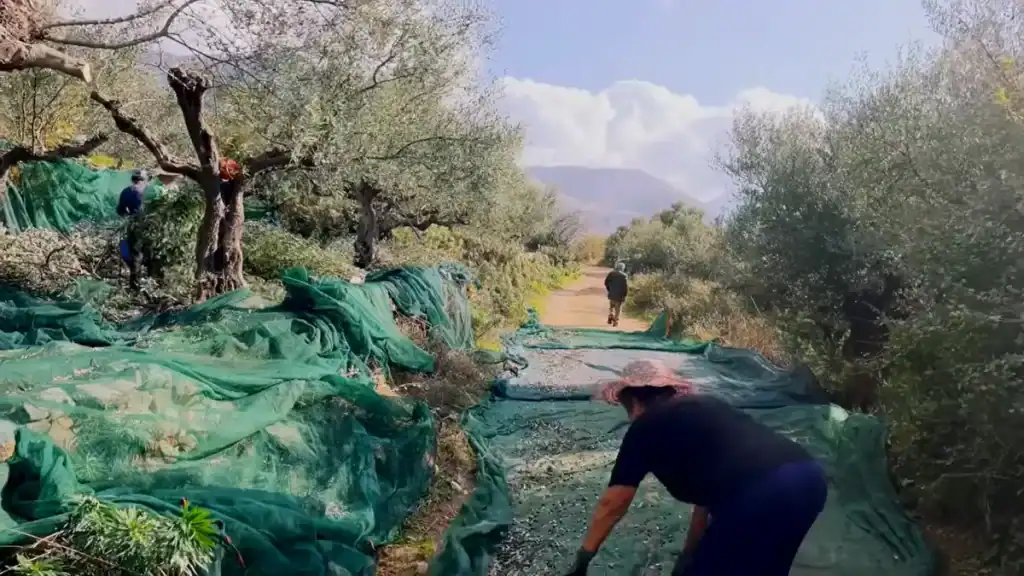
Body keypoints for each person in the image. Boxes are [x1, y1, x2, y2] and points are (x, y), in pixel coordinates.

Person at [565, 359, 828, 575]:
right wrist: (689, 555)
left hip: (762, 495)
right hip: (809, 479)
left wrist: (583, 560)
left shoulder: (644, 427)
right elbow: (705, 500)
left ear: (632, 399)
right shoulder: (708, 406)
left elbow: (614, 503)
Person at [116, 169, 149, 290]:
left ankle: (134, 280)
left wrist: (128, 216)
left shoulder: (126, 191)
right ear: (144, 180)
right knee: (143, 253)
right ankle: (139, 283)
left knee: (128, 248)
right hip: (147, 226)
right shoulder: (146, 192)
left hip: (131, 225)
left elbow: (120, 210)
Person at [604, 262, 628, 327]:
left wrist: (609, 289)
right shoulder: (624, 276)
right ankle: (616, 320)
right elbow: (625, 287)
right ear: (623, 268)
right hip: (620, 295)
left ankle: (611, 314)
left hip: (612, 293)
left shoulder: (611, 274)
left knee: (611, 306)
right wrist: (625, 295)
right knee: (618, 308)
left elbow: (606, 283)